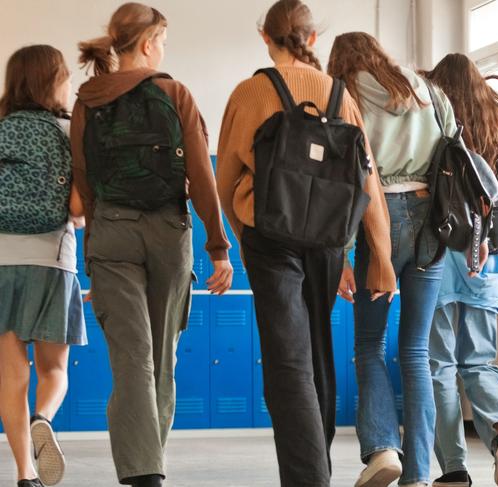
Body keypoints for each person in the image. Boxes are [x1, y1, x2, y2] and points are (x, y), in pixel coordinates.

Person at [216, 2, 396, 486]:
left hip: (269, 235)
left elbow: (224, 180)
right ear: (312, 39)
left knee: (286, 360)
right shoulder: (339, 94)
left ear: (266, 37)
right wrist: (380, 256)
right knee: (317, 352)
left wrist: (239, 233)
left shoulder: (250, 92)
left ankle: (307, 478)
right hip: (326, 239)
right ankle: (317, 472)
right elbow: (368, 182)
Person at [71, 3, 232, 486]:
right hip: (168, 231)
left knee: (131, 357)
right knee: (161, 358)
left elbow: (85, 183)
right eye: (162, 41)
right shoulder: (174, 91)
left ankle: (144, 472)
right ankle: (147, 471)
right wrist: (219, 247)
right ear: (147, 43)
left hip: (111, 234)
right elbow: (201, 175)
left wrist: (93, 258)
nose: (163, 50)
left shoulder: (87, 100)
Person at [329, 32, 458, 487]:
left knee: (368, 343)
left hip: (376, 220)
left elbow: (346, 178)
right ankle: (420, 474)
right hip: (431, 218)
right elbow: (454, 152)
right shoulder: (430, 91)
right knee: (417, 350)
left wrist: (344, 253)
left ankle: (383, 449)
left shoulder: (344, 93)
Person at [421, 53, 498, 487]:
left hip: (440, 256)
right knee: (481, 362)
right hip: (487, 263)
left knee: (439, 366)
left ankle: (454, 469)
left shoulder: (434, 119)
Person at [0, 45, 86, 487]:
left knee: (11, 374)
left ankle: (24, 473)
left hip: (1, 264)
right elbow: (76, 208)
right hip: (53, 260)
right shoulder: (69, 131)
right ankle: (44, 418)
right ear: (52, 81)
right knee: (53, 370)